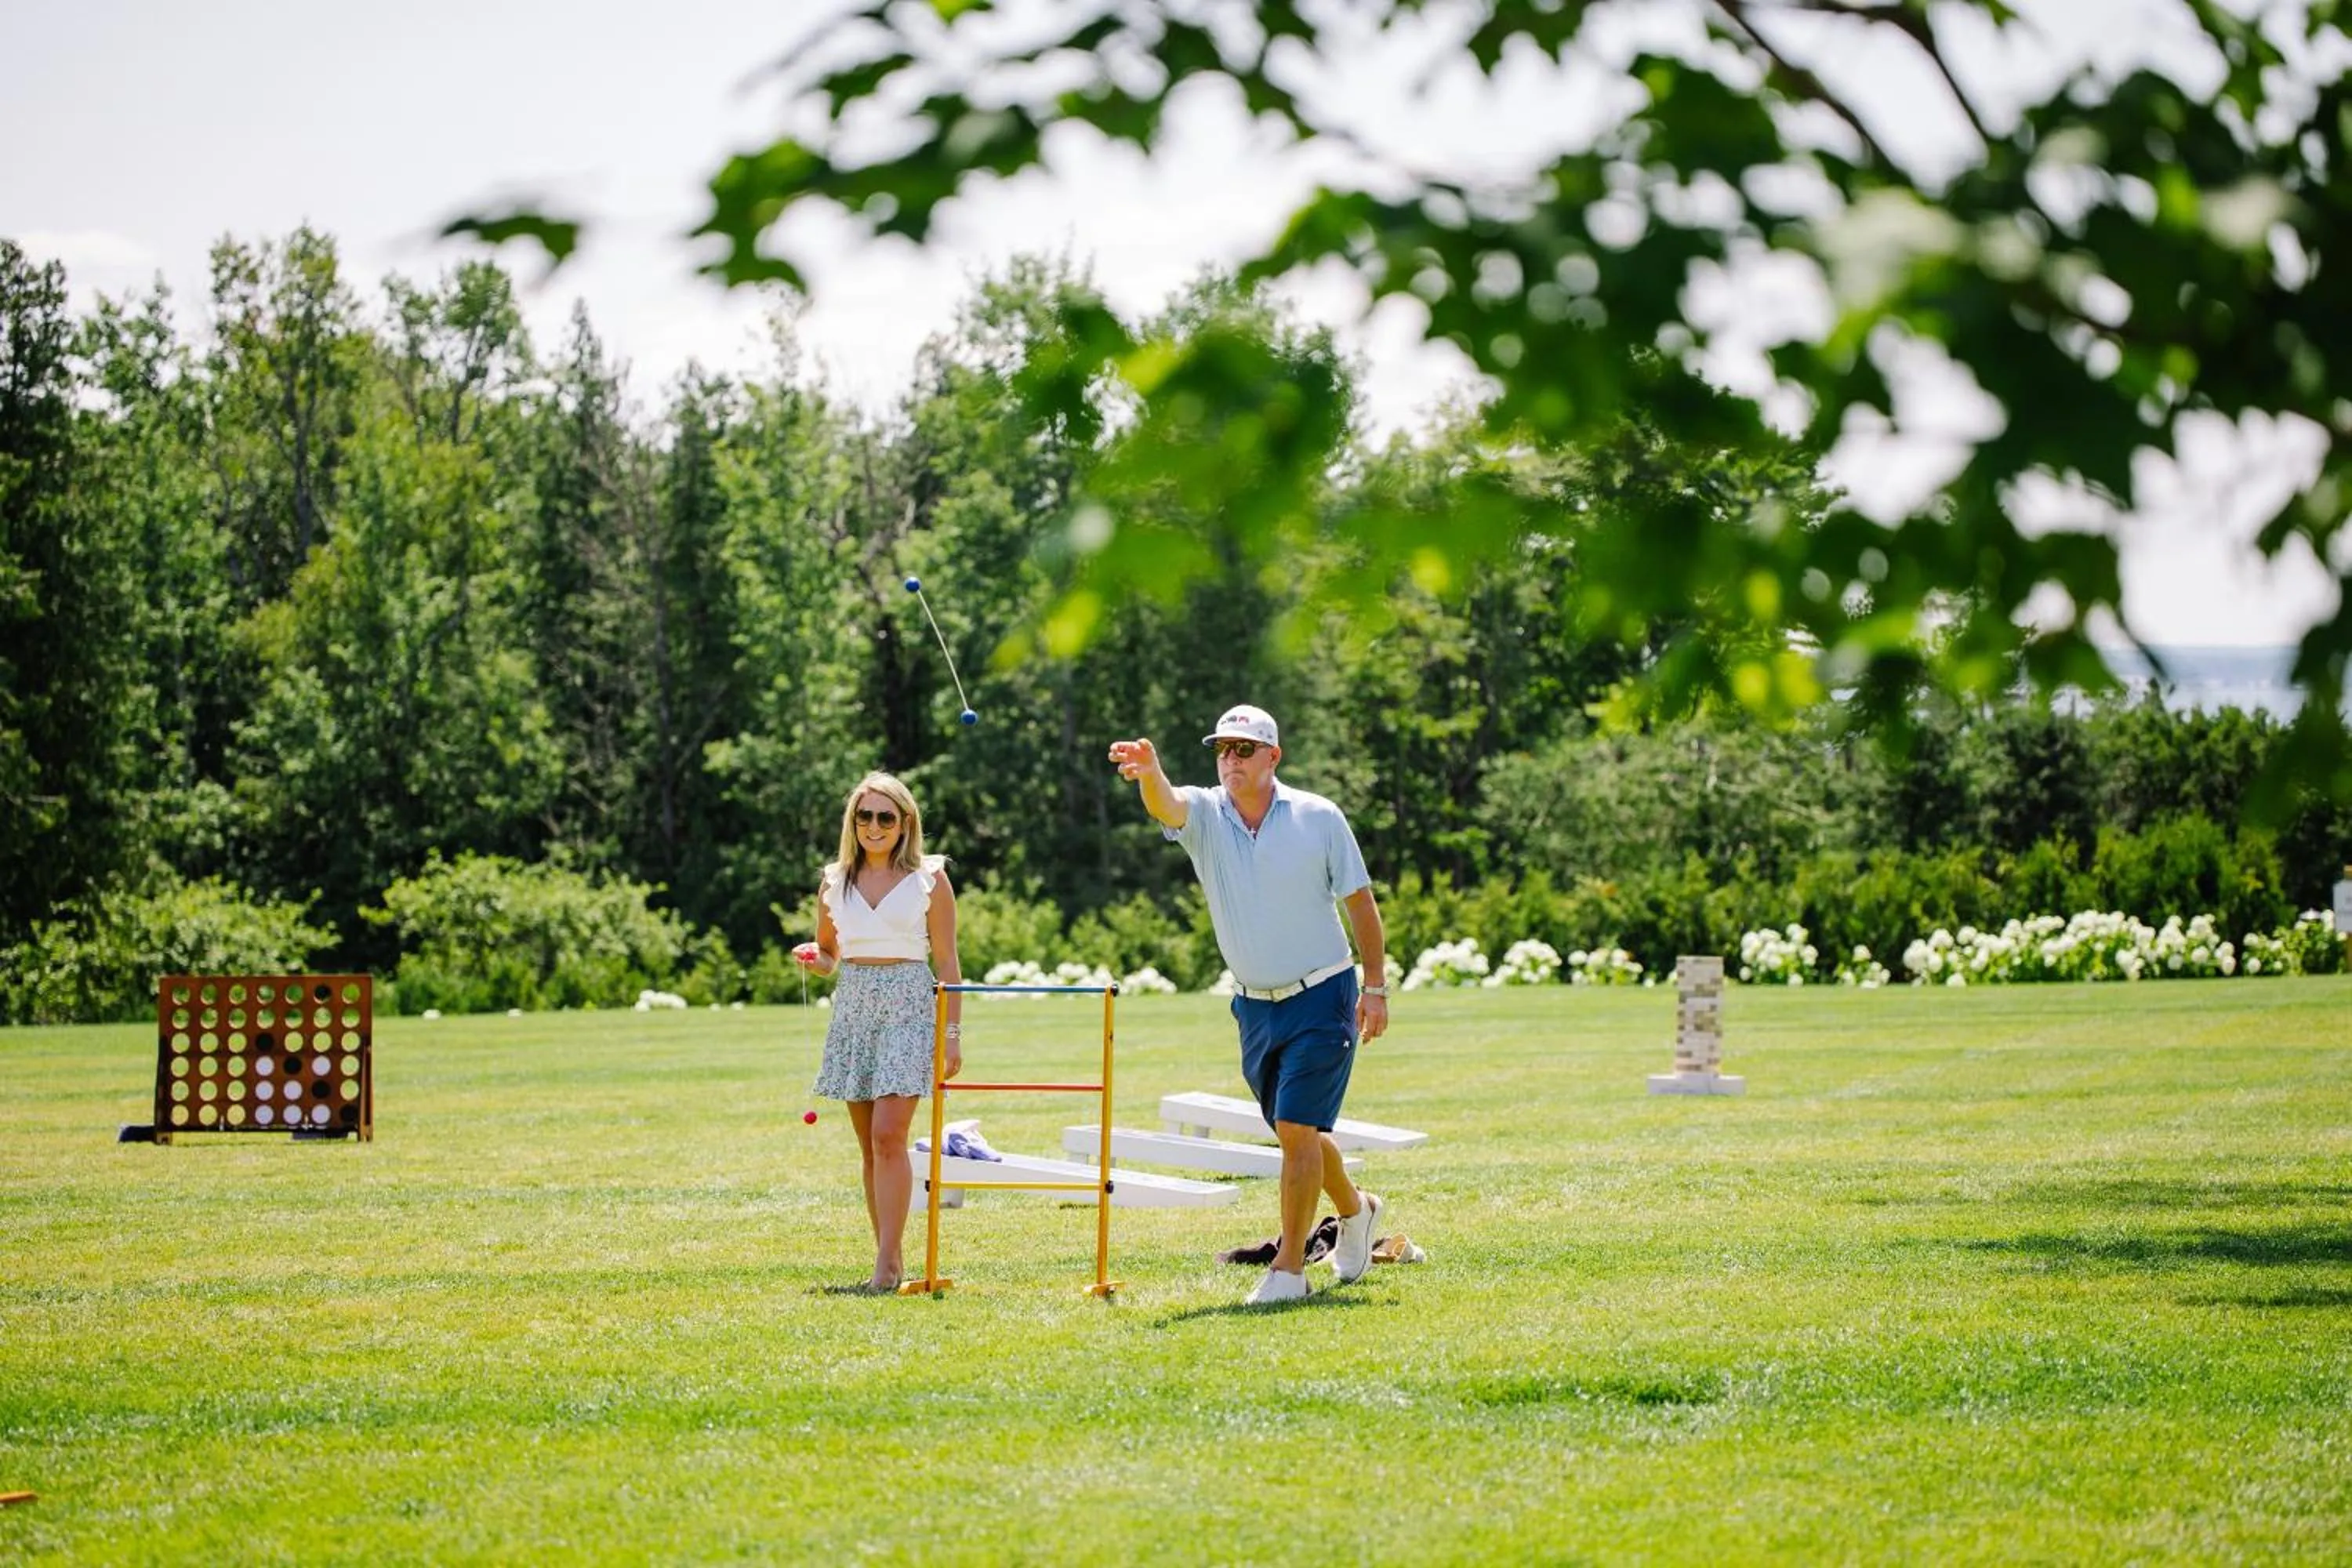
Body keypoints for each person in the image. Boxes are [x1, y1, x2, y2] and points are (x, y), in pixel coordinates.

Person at [1108, 704, 1392, 1305]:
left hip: (1324, 992)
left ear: (1272, 757)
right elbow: (1166, 805)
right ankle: (1356, 1208)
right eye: (1222, 750)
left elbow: (1361, 904)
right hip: (1255, 1008)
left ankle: (1289, 1269)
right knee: (1300, 1134)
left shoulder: (1319, 816)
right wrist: (1151, 772)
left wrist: (1374, 986)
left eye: (1243, 749)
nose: (1229, 760)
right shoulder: (1207, 813)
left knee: (1295, 1129)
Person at [792, 771, 964, 1294]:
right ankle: (888, 1256)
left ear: (904, 822)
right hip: (855, 1007)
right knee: (871, 1145)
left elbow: (950, 962)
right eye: (863, 816)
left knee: (890, 1135)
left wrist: (952, 1033)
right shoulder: (833, 880)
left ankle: (887, 1267)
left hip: (911, 1003)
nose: (873, 826)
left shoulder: (930, 879)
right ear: (853, 822)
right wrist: (811, 959)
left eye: (885, 817)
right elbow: (829, 955)